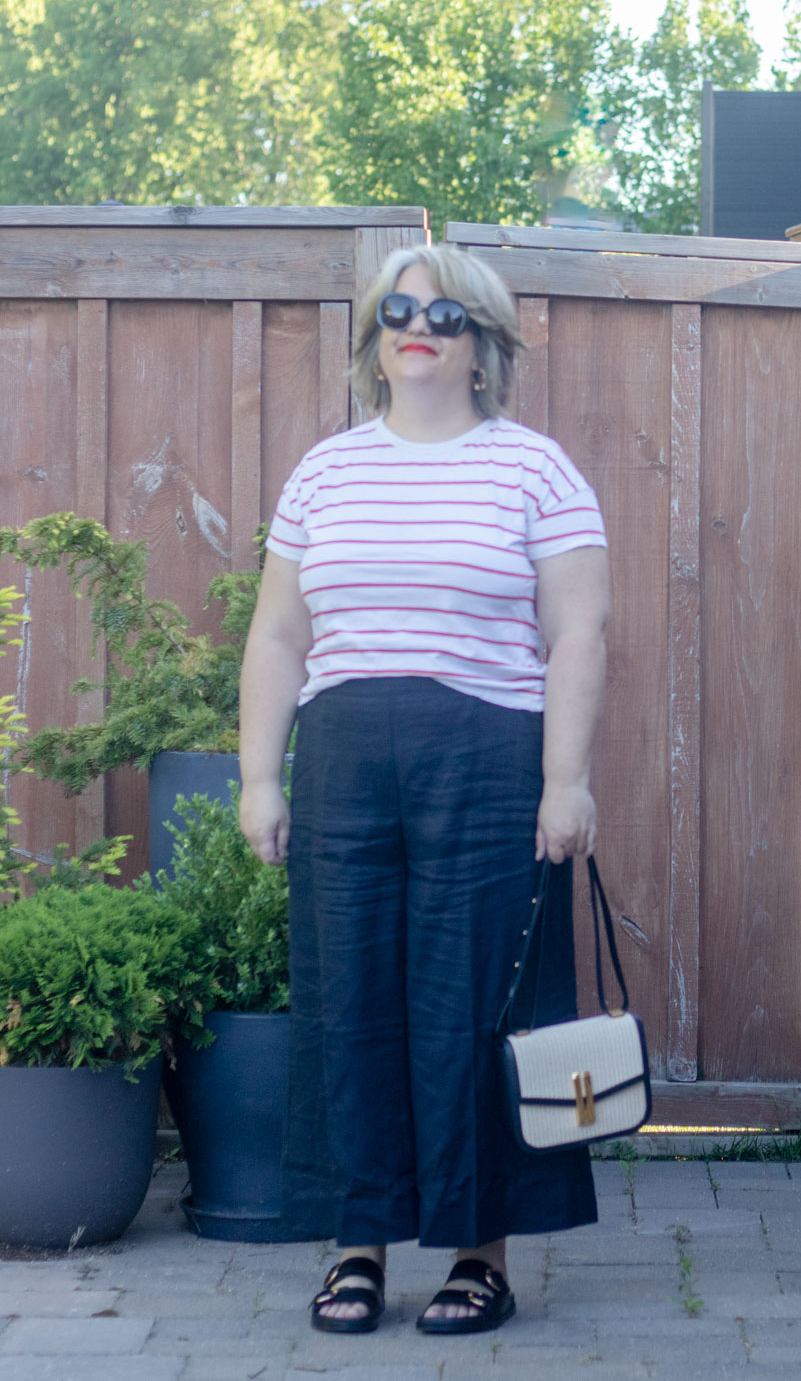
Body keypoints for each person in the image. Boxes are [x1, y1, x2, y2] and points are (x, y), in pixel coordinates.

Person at [238, 243, 610, 1336]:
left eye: (444, 314)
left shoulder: (535, 470)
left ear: (482, 343)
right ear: (373, 339)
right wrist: (262, 774)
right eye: (396, 309)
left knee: (471, 1007)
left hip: (487, 762)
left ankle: (477, 1254)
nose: (417, 325)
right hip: (345, 752)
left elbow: (577, 633)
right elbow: (277, 632)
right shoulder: (325, 470)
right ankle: (356, 1248)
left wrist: (565, 780)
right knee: (347, 1000)